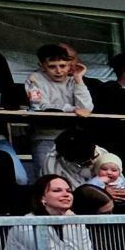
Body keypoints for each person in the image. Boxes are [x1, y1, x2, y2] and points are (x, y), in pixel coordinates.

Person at [23, 42, 94, 178]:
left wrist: (79, 79)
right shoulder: (34, 79)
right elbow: (41, 106)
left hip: (71, 138)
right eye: (52, 67)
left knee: (75, 178)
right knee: (46, 179)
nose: (59, 71)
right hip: (44, 137)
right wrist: (73, 109)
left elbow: (86, 108)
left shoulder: (73, 80)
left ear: (69, 65)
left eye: (62, 66)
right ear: (41, 66)